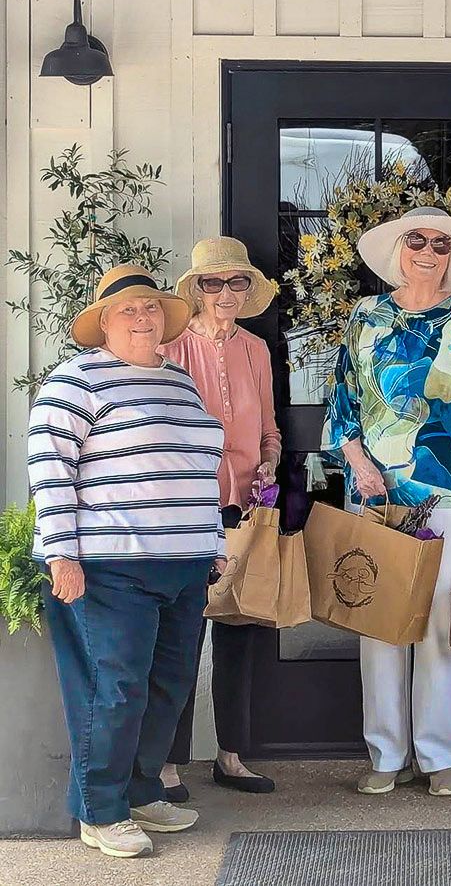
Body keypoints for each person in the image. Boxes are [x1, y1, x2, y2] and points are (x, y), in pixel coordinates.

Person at [28, 264, 227, 859]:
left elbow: (200, 471)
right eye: (128, 310)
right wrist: (61, 555)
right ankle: (100, 809)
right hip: (110, 567)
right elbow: (50, 471)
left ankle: (140, 792)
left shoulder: (181, 382)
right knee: (113, 689)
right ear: (104, 324)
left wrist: (211, 545)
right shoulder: (74, 382)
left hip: (183, 563)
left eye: (151, 309)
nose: (143, 318)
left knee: (167, 687)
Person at [324, 207, 451, 798]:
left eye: (439, 244)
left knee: (439, 624)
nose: (428, 252)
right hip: (377, 493)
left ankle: (439, 754)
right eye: (416, 241)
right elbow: (344, 402)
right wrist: (358, 465)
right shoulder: (366, 316)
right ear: (398, 251)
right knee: (378, 622)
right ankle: (385, 753)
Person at [160, 237, 281, 799]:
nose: (226, 292)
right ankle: (167, 762)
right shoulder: (173, 348)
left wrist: (269, 464)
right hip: (189, 510)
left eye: (237, 282)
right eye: (214, 283)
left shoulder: (257, 349)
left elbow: (269, 431)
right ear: (198, 290)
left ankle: (232, 755)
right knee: (182, 637)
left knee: (241, 631)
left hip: (245, 507)